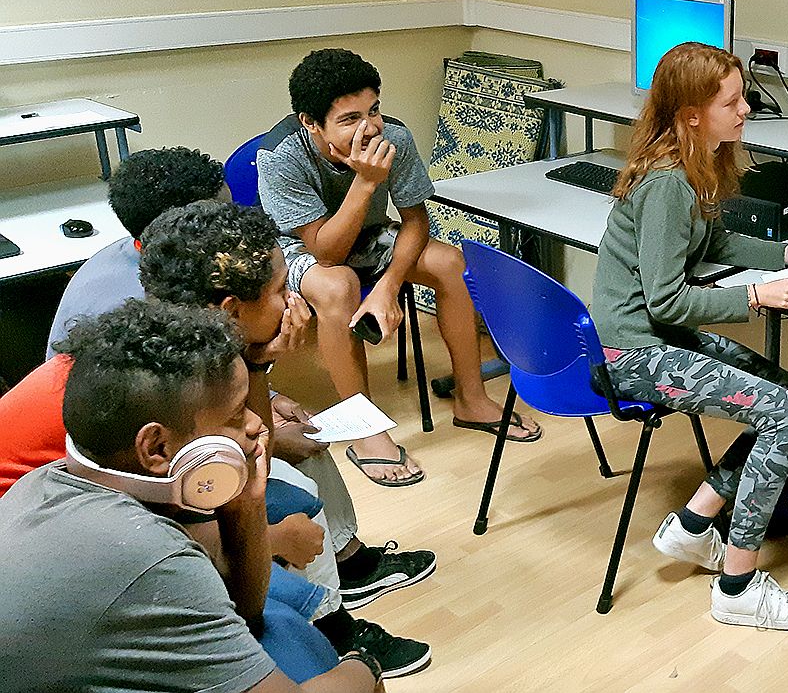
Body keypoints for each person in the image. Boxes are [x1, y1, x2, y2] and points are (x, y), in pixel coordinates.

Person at [39, 148, 433, 612]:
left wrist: (265, 379)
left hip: (122, 467)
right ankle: (326, 612)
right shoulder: (153, 333)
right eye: (280, 289)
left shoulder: (171, 289)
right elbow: (200, 459)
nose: (291, 299)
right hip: (80, 493)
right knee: (288, 473)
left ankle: (346, 564)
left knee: (295, 442)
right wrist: (272, 521)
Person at [591, 41, 788, 630]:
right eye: (732, 103)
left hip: (659, 338)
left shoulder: (691, 168)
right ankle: (738, 588)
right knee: (784, 415)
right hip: (632, 353)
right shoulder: (667, 185)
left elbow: (712, 245)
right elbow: (667, 299)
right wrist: (755, 296)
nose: (744, 112)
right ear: (691, 115)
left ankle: (691, 527)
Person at [0, 300, 383, 692]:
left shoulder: (48, 482)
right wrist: (364, 667)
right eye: (237, 414)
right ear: (157, 448)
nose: (255, 424)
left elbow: (244, 608)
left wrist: (246, 502)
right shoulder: (148, 556)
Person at [257, 47, 539, 487]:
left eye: (373, 111)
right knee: (338, 286)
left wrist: (389, 285)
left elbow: (415, 221)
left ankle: (472, 397)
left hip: (369, 237)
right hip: (301, 248)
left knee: (449, 262)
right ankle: (365, 430)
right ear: (310, 122)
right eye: (350, 119)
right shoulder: (281, 155)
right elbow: (325, 252)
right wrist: (366, 181)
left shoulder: (395, 138)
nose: (369, 128)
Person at [46, 146, 229, 357]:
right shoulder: (144, 311)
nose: (235, 225)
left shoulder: (132, 249)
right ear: (179, 229)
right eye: (221, 220)